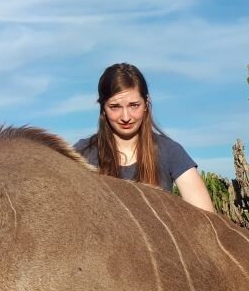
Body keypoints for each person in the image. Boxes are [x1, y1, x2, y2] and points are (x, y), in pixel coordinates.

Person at [74, 62, 216, 212]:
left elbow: (207, 217)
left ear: (146, 103)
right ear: (103, 108)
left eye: (134, 105)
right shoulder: (83, 153)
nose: (126, 117)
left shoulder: (170, 151)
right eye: (115, 107)